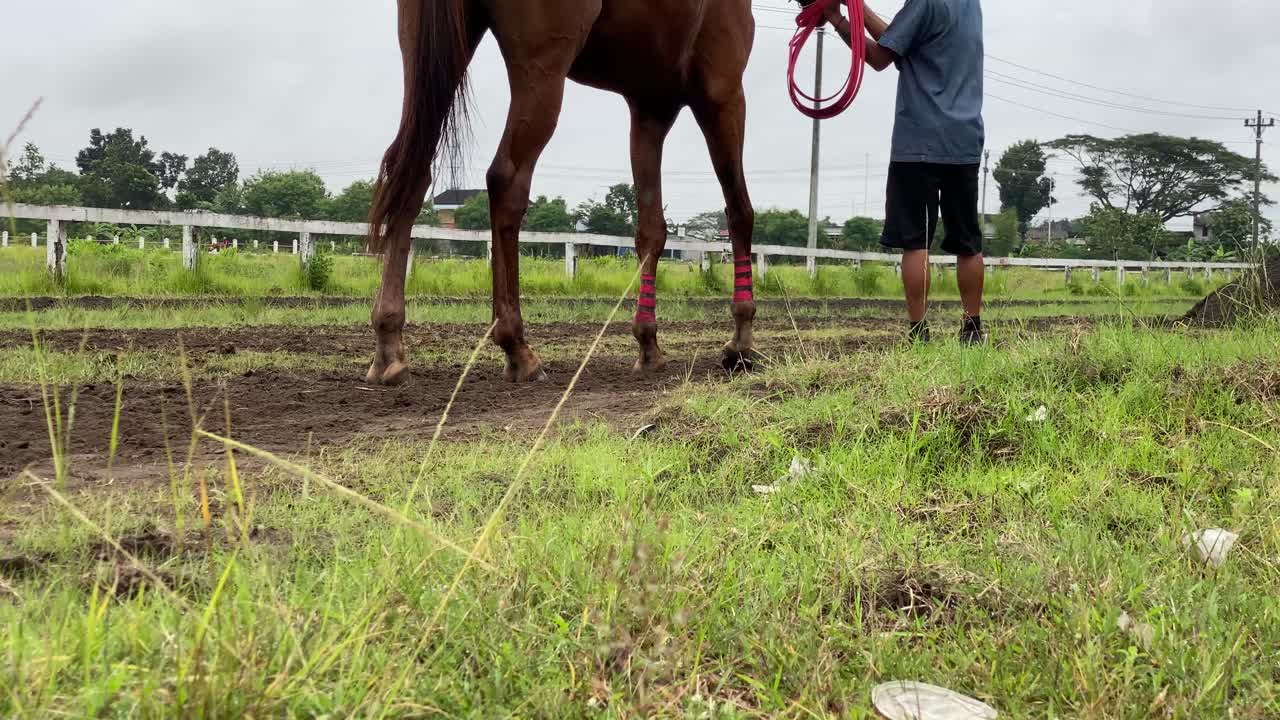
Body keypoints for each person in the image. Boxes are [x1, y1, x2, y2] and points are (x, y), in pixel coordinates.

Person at [824, 0, 986, 344]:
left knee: (915, 243)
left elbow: (879, 57)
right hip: (965, 140)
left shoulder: (924, 2)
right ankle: (973, 329)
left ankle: (918, 331)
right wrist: (855, 11)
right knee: (968, 244)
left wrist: (840, 16)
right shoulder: (970, 4)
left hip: (919, 141)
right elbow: (899, 42)